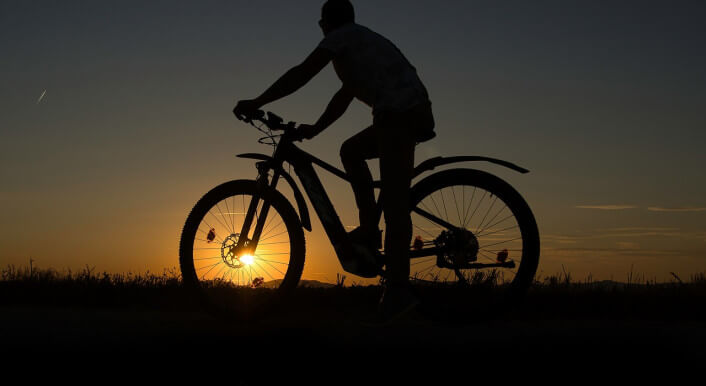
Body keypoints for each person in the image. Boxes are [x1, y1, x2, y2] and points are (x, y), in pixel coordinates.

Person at [233, 0, 435, 322]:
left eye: (321, 24)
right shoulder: (358, 43)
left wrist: (258, 101)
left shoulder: (342, 37)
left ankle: (398, 290)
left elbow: (302, 73)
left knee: (396, 205)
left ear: (327, 23)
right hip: (402, 113)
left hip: (401, 117)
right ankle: (369, 231)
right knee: (351, 151)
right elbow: (344, 96)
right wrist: (315, 129)